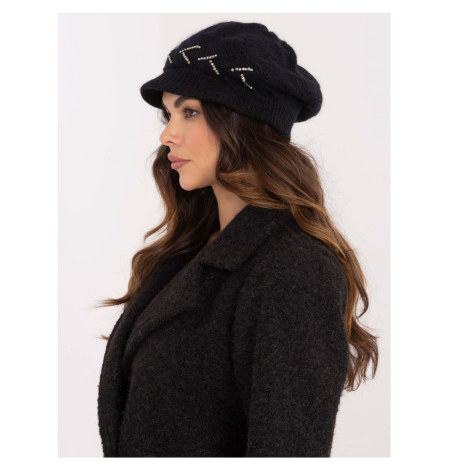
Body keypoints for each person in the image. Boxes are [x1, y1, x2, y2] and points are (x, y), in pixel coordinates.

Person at [96, 20, 379, 457]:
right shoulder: (191, 253)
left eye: (189, 112)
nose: (167, 134)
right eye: (168, 114)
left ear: (243, 121)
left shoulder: (295, 268)